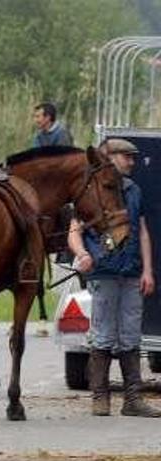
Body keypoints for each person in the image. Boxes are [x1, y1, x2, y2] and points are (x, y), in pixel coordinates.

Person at [69, 138, 161, 418]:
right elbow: (75, 229)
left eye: (133, 158)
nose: (131, 162)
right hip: (104, 271)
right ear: (109, 158)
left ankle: (132, 400)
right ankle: (100, 398)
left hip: (131, 271)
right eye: (126, 157)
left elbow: (142, 230)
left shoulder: (133, 190)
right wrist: (83, 253)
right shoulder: (90, 189)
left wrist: (147, 270)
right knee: (104, 334)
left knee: (131, 335)